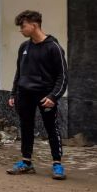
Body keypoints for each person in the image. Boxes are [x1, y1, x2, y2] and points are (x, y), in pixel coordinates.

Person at [7, 10, 69, 180]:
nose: (21, 30)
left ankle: (57, 164)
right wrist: (14, 93)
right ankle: (26, 162)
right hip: (24, 94)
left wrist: (54, 96)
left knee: (51, 128)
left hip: (45, 95)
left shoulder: (53, 47)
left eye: (23, 26)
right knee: (26, 127)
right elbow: (19, 72)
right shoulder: (24, 47)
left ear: (34, 25)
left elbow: (62, 76)